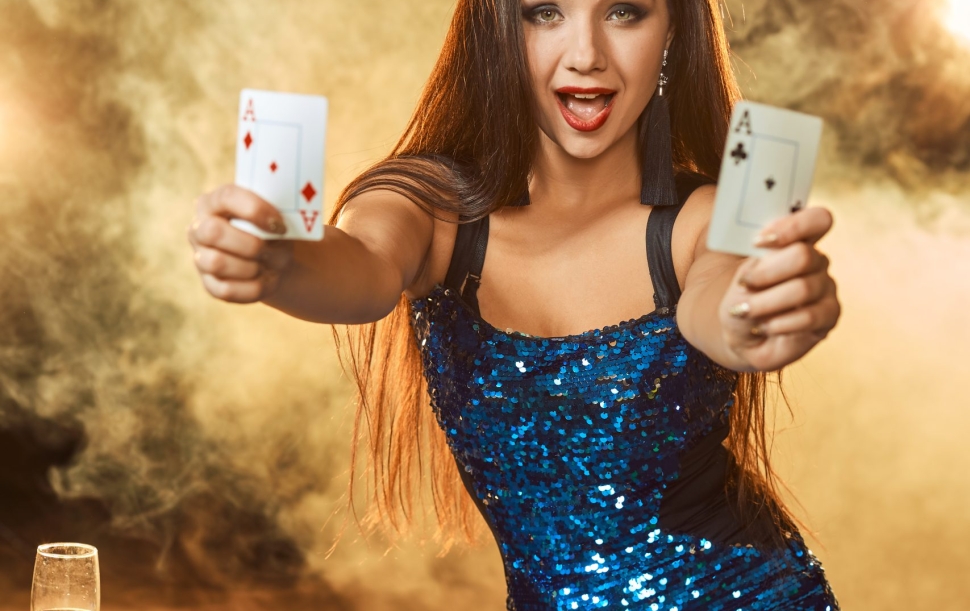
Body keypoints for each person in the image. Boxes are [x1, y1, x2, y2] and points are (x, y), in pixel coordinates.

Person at [187, 0, 842, 608]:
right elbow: (363, 267)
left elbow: (722, 302)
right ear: (496, 31)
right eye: (544, 12)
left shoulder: (709, 216)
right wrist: (278, 263)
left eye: (623, 11)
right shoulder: (430, 207)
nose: (585, 53)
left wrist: (752, 315)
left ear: (672, 33)